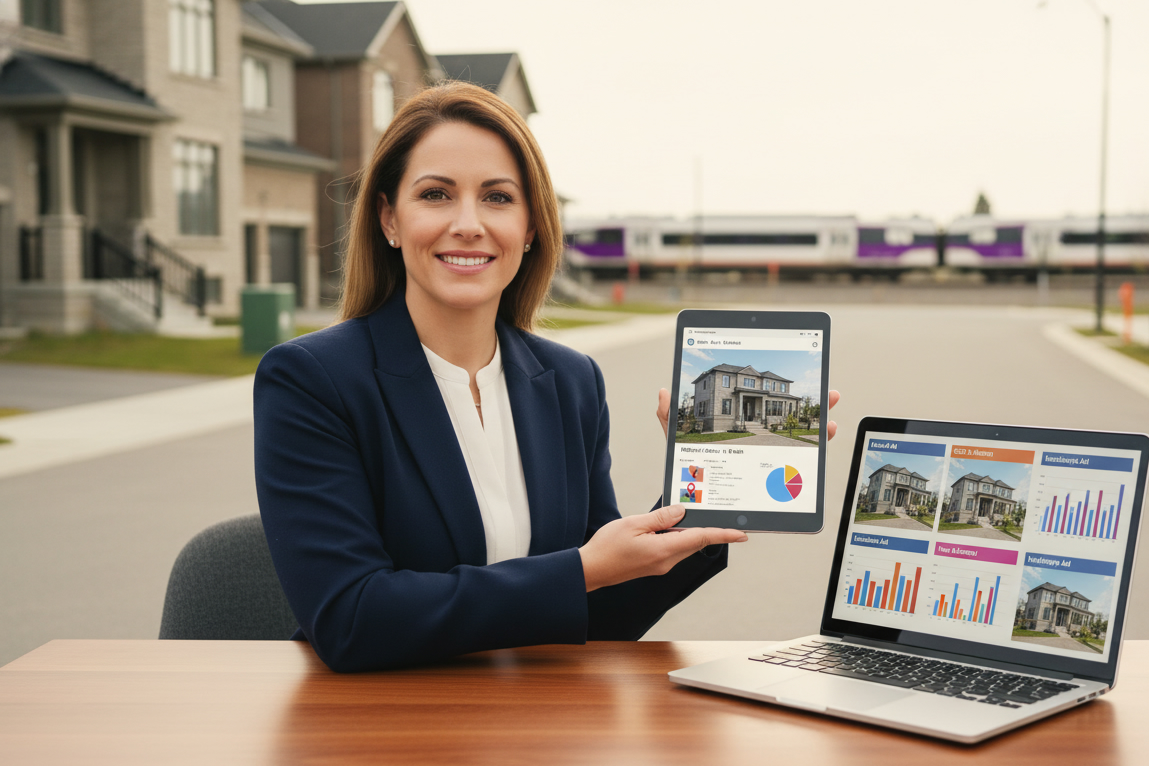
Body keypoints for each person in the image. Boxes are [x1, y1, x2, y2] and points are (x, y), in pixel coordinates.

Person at [254, 82, 838, 673]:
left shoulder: (570, 381)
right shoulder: (311, 380)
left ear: (531, 226)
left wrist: (702, 495)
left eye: (497, 197)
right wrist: (580, 571)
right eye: (435, 194)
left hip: (536, 717)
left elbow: (600, 614)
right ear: (389, 219)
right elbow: (352, 619)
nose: (468, 224)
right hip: (380, 719)